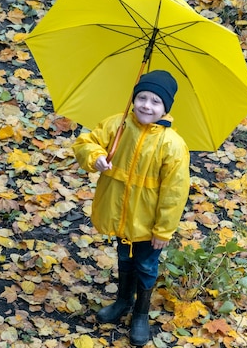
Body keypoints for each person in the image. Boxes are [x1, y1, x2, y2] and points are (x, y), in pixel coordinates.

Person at [73, 70, 190, 346]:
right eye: (142, 98)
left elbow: (175, 193)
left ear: (165, 108)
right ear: (134, 98)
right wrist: (97, 157)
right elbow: (85, 143)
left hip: (149, 226)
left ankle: (140, 313)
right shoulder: (117, 126)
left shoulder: (172, 145)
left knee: (146, 266)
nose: (146, 106)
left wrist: (164, 230)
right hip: (119, 214)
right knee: (124, 259)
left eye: (155, 101)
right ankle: (123, 301)